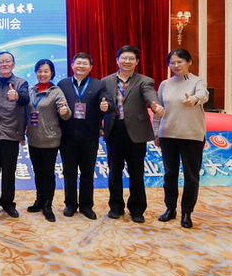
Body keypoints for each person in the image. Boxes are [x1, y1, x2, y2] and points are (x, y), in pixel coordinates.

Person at [102, 45, 164, 224]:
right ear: (117, 60)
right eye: (123, 58)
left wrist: (155, 105)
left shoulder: (144, 81)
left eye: (131, 58)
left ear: (137, 61)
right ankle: (116, 206)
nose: (127, 61)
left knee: (136, 172)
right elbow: (103, 103)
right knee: (114, 171)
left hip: (136, 132)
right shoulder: (106, 81)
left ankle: (137, 209)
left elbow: (150, 95)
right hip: (114, 130)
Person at [154, 49, 208, 229]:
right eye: (172, 62)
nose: (176, 65)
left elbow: (203, 95)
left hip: (192, 136)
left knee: (191, 177)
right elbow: (158, 110)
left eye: (180, 61)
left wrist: (194, 99)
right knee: (170, 175)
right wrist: (156, 132)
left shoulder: (197, 82)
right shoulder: (165, 84)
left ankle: (187, 212)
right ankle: (170, 209)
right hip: (168, 135)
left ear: (189, 62)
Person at [57, 53, 114, 220]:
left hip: (89, 136)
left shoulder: (98, 84)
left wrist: (106, 106)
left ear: (91, 67)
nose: (81, 66)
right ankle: (70, 204)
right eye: (78, 63)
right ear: (72, 65)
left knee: (87, 172)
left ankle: (86, 206)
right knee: (69, 172)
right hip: (67, 136)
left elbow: (109, 104)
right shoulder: (63, 84)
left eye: (85, 64)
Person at [0, 51, 29, 218]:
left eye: (7, 61)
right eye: (1, 62)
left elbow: (26, 100)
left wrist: (17, 96)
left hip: (11, 133)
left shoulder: (21, 82)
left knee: (9, 172)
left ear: (13, 64)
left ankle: (8, 203)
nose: (4, 64)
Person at [26, 59, 72, 222]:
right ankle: (39, 201)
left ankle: (47, 205)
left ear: (51, 73)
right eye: (40, 71)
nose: (42, 74)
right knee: (38, 173)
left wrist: (65, 111)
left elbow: (66, 113)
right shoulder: (31, 90)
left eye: (46, 71)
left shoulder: (56, 91)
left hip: (50, 139)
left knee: (48, 173)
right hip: (33, 138)